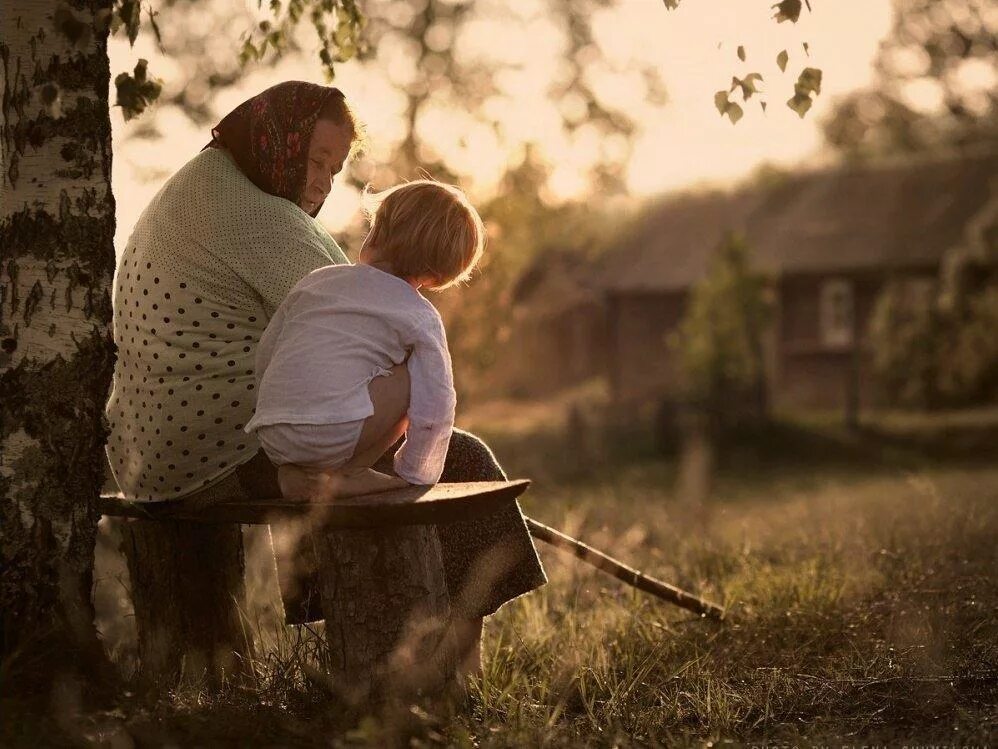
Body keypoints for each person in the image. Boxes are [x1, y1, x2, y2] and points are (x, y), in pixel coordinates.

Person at [104, 81, 545, 652]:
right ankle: (442, 665)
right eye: (315, 161)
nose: (321, 183)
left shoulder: (203, 185)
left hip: (147, 456)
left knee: (346, 433)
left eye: (334, 170)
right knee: (459, 459)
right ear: (277, 141)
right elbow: (374, 328)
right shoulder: (260, 218)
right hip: (216, 459)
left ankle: (396, 641)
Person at [246, 180, 485, 502]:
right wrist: (417, 472)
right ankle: (350, 472)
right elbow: (436, 403)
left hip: (272, 432)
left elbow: (267, 353)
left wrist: (274, 409)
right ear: (438, 275)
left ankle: (295, 474)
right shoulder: (419, 314)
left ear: (375, 233)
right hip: (333, 433)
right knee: (414, 378)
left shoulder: (316, 282)